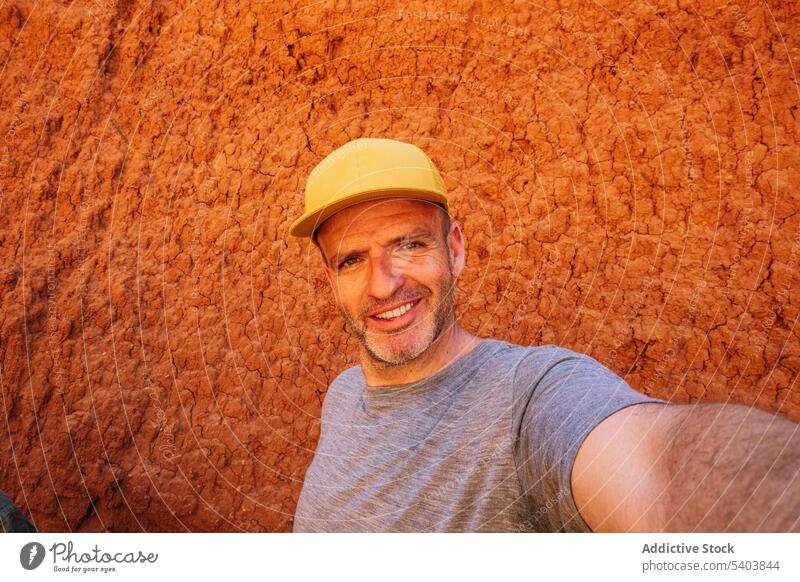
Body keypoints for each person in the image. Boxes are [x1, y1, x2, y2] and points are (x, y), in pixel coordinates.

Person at [288, 137, 799, 532]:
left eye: (409, 244)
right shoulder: (344, 394)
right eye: (352, 259)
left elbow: (657, 467)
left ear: (456, 250)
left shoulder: (528, 396)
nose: (384, 283)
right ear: (331, 280)